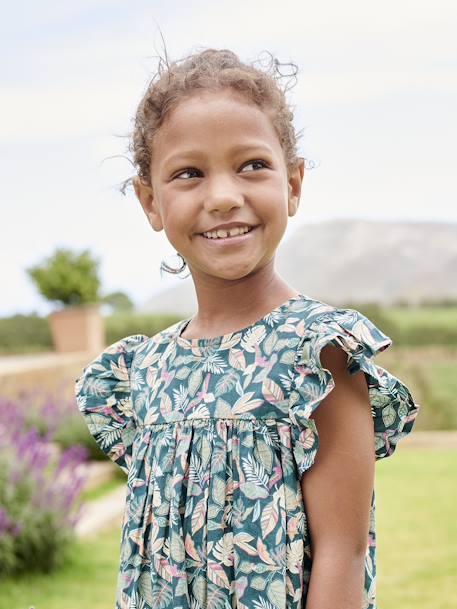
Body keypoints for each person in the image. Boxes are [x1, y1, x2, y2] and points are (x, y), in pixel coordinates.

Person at [74, 47, 420, 609]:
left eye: (252, 165)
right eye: (189, 174)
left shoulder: (318, 353)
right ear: (150, 202)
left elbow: (342, 553)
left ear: (294, 184)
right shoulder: (141, 371)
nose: (224, 197)